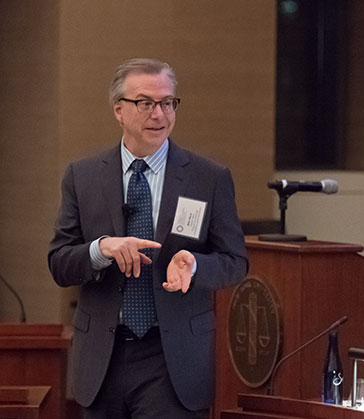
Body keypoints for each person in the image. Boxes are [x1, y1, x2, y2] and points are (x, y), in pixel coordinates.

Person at [48, 58, 248, 418]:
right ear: (119, 110)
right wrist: (100, 250)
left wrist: (196, 265)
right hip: (103, 358)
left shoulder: (208, 177)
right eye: (146, 103)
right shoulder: (83, 176)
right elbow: (60, 263)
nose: (159, 114)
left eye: (168, 102)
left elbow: (235, 261)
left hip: (172, 360)